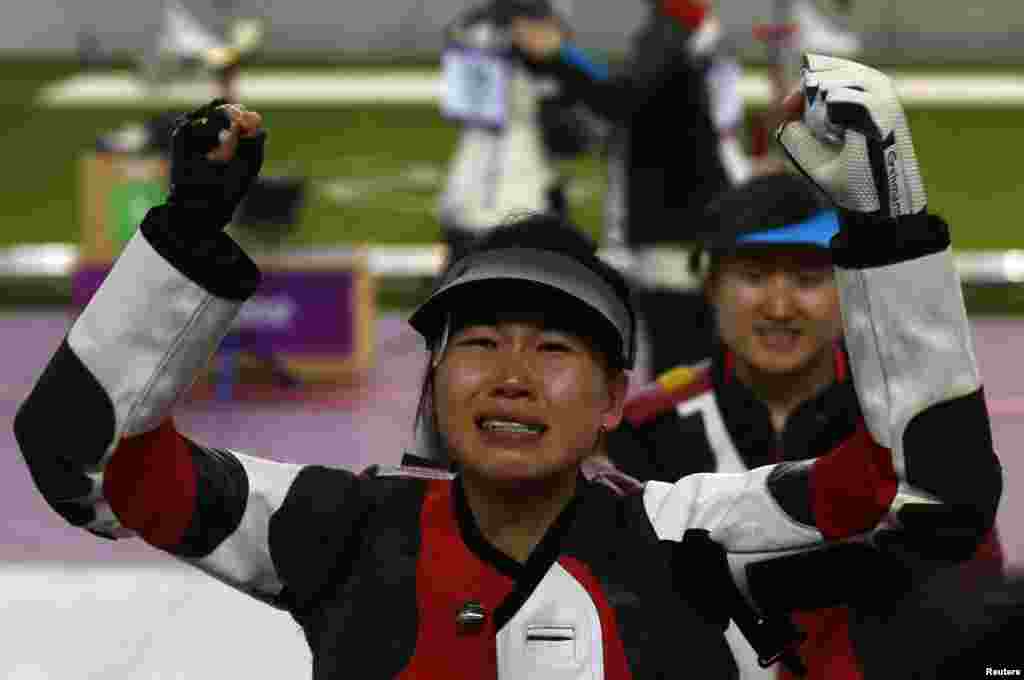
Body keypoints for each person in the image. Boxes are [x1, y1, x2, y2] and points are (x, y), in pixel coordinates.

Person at [14, 55, 1003, 678]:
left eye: (556, 345)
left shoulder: (691, 533)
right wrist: (181, 238)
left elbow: (936, 495)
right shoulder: (330, 525)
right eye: (477, 340)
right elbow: (76, 456)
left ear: (617, 394)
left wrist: (890, 230)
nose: (511, 373)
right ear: (434, 378)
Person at [595, 170, 1005, 678]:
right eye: (754, 275)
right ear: (710, 285)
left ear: (846, 288)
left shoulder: (909, 427)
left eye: (808, 277)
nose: (781, 306)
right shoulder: (642, 432)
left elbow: (973, 601)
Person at [510, 0, 750, 376]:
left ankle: (680, 432)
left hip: (678, 229)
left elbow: (619, 96)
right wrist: (555, 59)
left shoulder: (669, 30)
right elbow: (622, 94)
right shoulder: (678, 33)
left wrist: (558, 56)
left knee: (679, 360)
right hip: (689, 224)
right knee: (690, 356)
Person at [438, 0, 604, 264]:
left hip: (465, 197)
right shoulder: (538, 39)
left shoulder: (467, 29)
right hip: (522, 201)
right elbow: (585, 119)